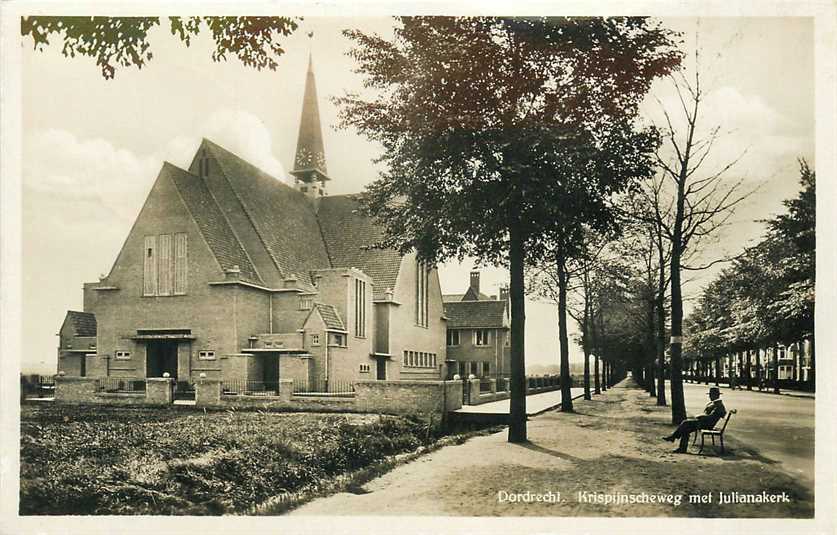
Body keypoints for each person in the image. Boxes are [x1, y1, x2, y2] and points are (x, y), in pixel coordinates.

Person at [662, 386, 727, 453]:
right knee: (686, 428)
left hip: (706, 424)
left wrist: (701, 416)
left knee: (685, 423)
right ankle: (680, 446)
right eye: (710, 395)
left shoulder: (719, 405)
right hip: (704, 423)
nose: (709, 396)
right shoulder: (715, 403)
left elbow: (711, 417)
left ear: (716, 395)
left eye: (711, 395)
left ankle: (675, 439)